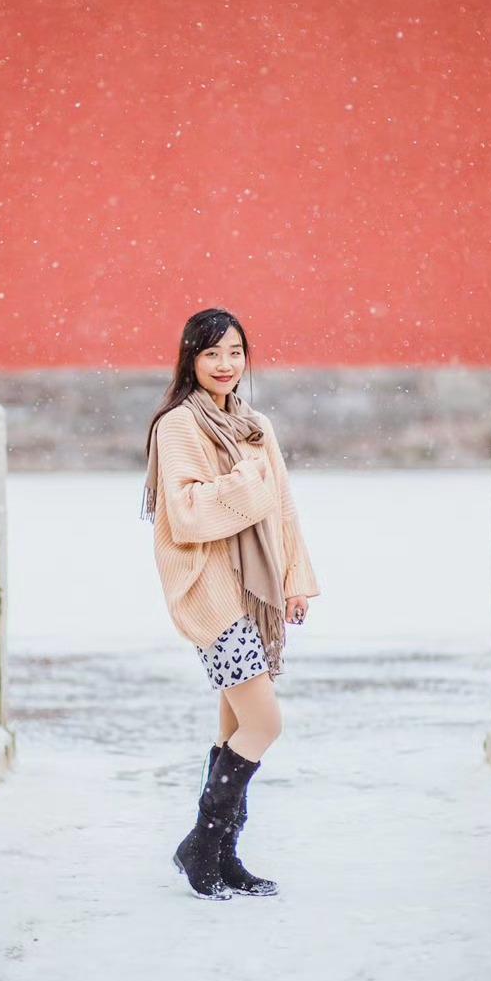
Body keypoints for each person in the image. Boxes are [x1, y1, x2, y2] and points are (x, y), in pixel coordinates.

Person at [140, 308, 320, 900]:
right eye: (212, 353)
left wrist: (295, 580)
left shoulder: (253, 425)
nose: (225, 365)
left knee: (236, 727)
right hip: (212, 593)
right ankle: (200, 844)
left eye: (236, 352)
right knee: (265, 724)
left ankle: (222, 854)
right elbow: (187, 514)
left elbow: (282, 508)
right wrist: (248, 483)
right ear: (191, 359)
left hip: (256, 590)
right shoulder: (177, 427)